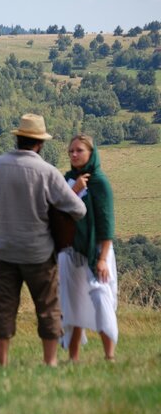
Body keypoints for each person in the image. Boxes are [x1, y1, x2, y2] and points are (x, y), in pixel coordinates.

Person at [0, 114, 87, 367]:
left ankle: (2, 363)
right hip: (38, 252)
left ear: (18, 138)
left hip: (3, 248)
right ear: (40, 143)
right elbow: (78, 209)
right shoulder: (47, 172)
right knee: (48, 306)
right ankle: (50, 362)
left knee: (3, 305)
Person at [58, 134, 118, 362]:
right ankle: (73, 358)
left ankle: (109, 355)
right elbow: (57, 212)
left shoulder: (100, 182)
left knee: (101, 297)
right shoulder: (67, 181)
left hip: (96, 251)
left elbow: (106, 222)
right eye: (71, 151)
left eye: (79, 150)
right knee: (73, 303)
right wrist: (73, 190)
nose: (74, 154)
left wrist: (102, 258)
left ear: (91, 153)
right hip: (72, 251)